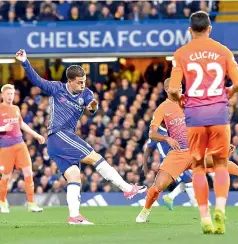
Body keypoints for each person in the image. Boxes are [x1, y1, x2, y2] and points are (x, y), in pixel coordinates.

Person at [15, 49, 146, 225]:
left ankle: (74, 216)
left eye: (84, 81)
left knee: (75, 176)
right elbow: (36, 80)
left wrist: (93, 107)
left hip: (60, 142)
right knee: (96, 157)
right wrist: (25, 62)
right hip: (59, 134)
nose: (83, 85)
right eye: (79, 82)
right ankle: (127, 188)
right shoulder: (57, 89)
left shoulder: (86, 93)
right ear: (70, 82)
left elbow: (91, 107)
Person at [168, 11, 238, 234]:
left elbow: (173, 89)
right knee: (221, 164)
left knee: (199, 167)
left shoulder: (181, 53)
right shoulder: (223, 51)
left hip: (194, 115)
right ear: (209, 29)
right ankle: (220, 208)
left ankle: (204, 217)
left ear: (190, 31)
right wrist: (226, 94)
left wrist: (181, 100)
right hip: (219, 113)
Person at [144, 129, 238, 210]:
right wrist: (145, 164)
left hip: (187, 156)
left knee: (210, 166)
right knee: (188, 180)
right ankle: (193, 202)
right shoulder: (158, 133)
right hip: (172, 162)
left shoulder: (180, 128)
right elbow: (149, 147)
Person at [136, 79, 193, 223]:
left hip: (189, 152)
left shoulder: (185, 105)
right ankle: (147, 210)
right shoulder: (161, 127)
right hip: (172, 160)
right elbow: (149, 145)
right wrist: (145, 164)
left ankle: (199, 206)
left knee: (212, 166)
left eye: (181, 86)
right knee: (157, 188)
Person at [0, 84, 44, 213]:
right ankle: (2, 202)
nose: (10, 96)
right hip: (5, 147)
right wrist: (3, 129)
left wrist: (36, 134)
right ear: (2, 95)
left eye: (12, 94)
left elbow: (21, 124)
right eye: (8, 94)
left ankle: (31, 203)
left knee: (28, 173)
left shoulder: (16, 108)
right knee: (6, 177)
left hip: (20, 144)